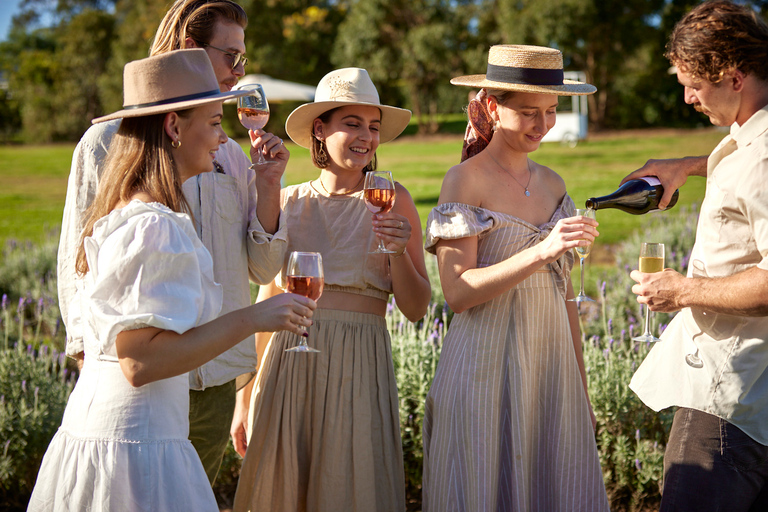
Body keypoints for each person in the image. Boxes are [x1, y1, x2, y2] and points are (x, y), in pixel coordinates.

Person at [28, 49, 315, 512]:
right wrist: (255, 318)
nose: (224, 139)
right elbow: (139, 362)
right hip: (133, 450)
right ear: (175, 128)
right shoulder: (154, 224)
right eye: (215, 122)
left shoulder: (132, 210)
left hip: (115, 432)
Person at [55, 0, 288, 484]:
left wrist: (268, 186)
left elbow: (263, 268)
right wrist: (94, 369)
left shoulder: (228, 153)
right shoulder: (105, 144)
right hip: (139, 382)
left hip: (216, 372)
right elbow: (77, 268)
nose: (239, 72)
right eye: (231, 56)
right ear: (190, 49)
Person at [230, 67, 432, 512]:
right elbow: (268, 299)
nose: (366, 137)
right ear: (320, 129)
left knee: (350, 487)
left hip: (359, 363)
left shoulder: (394, 200)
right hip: (288, 361)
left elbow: (417, 309)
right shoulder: (289, 201)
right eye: (352, 124)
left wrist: (398, 251)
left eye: (373, 126)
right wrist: (244, 398)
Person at [421, 45, 609, 512]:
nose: (543, 126)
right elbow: (458, 292)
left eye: (550, 112)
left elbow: (565, 295)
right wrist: (543, 248)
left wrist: (579, 390)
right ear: (490, 107)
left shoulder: (553, 184)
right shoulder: (463, 181)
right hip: (483, 370)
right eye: (528, 112)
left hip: (549, 373)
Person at [626, 2, 768, 510]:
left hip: (733, 396)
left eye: (695, 85)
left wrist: (682, 290)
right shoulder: (749, 139)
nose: (687, 98)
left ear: (734, 77)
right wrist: (687, 165)